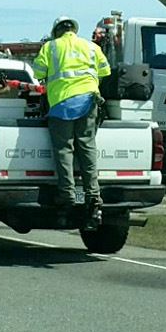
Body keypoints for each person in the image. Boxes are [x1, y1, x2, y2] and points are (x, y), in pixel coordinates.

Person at [32, 16, 112, 231]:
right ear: (75, 30)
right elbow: (105, 70)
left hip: (62, 105)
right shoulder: (91, 46)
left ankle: (67, 193)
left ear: (56, 30)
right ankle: (93, 195)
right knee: (86, 145)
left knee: (64, 149)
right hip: (88, 100)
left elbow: (38, 73)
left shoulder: (51, 47)